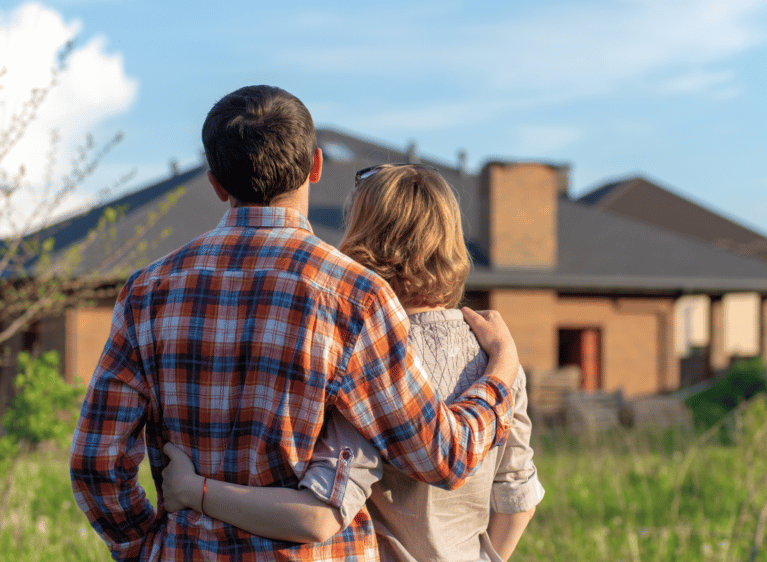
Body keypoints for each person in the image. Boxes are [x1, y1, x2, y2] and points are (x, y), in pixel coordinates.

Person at [69, 85, 520, 562]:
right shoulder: (357, 298)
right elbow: (440, 457)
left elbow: (96, 464)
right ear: (316, 166)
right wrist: (501, 375)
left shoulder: (146, 293)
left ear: (216, 183)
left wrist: (145, 547)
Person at [160, 164, 544, 561]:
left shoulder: (368, 351)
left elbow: (319, 515)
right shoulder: (497, 352)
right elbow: (519, 501)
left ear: (365, 237)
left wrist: (194, 490)